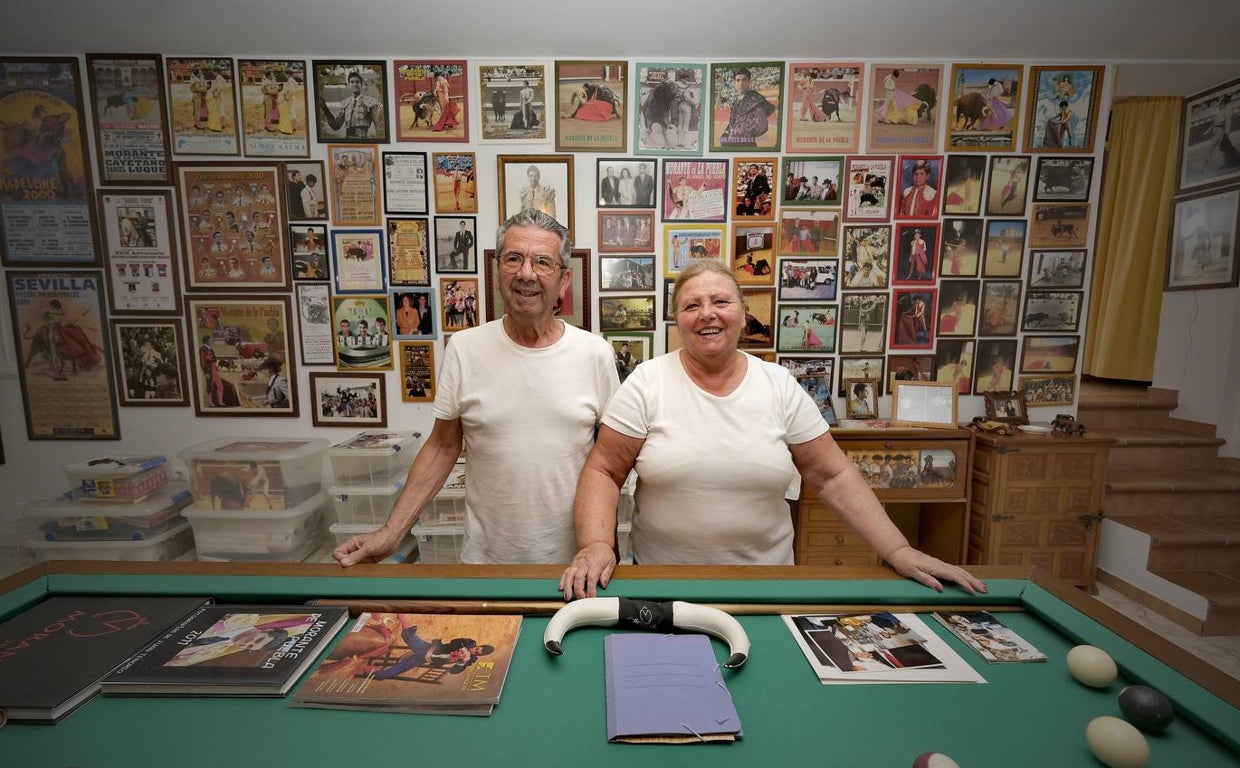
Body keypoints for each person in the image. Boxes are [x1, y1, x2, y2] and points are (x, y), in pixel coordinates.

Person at [559, 261, 984, 599]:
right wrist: (596, 544)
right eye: (691, 305)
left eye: (720, 301)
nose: (707, 313)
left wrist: (898, 550)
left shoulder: (779, 386)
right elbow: (604, 471)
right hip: (666, 585)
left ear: (744, 314)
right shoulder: (647, 383)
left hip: (765, 587)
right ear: (678, 321)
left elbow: (833, 475)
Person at [334, 210, 619, 566]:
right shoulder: (465, 348)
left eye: (542, 262)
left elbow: (612, 461)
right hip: (486, 563)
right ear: (498, 270)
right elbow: (442, 446)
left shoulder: (594, 354)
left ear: (563, 280)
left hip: (573, 564)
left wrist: (601, 544)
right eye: (514, 258)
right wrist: (392, 532)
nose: (526, 273)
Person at [720, 67, 776, 147]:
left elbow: (776, 112)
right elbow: (733, 121)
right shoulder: (735, 101)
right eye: (738, 80)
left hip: (747, 143)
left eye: (744, 80)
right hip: (731, 142)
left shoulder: (755, 97)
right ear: (734, 82)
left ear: (749, 81)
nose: (740, 83)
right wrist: (726, 132)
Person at [319, 69, 381, 138]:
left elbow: (379, 127)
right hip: (348, 140)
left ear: (361, 84)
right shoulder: (345, 103)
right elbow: (336, 126)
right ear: (348, 85)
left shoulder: (370, 102)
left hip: (363, 141)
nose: (354, 84)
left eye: (357, 82)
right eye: (352, 82)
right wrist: (325, 109)